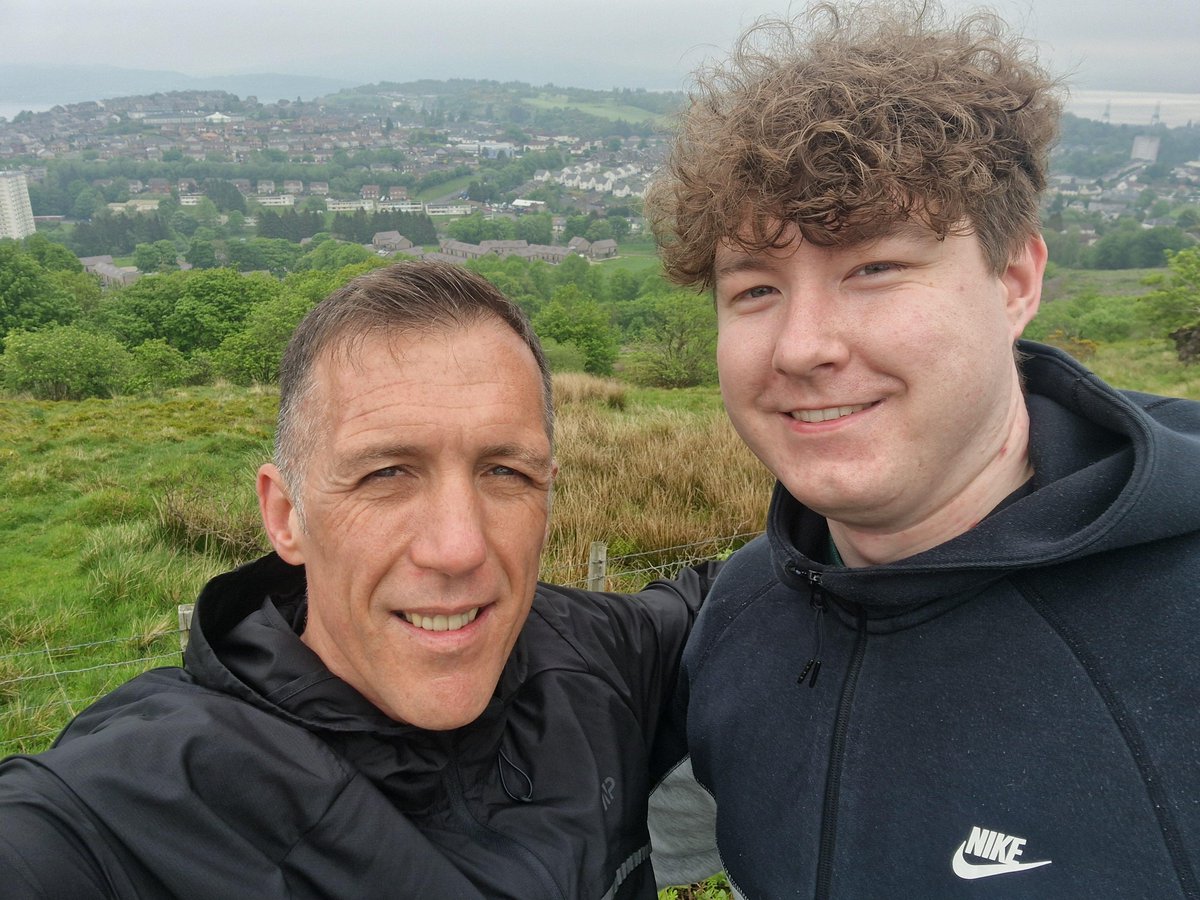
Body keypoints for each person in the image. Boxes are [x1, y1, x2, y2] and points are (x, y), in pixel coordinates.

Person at [646, 2, 1200, 896]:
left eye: (873, 268)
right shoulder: (744, 615)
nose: (801, 346)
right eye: (754, 289)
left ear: (1015, 279)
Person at [0, 262, 718, 898]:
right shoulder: (122, 809)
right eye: (386, 474)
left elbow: (784, 586)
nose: (457, 548)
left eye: (506, 472)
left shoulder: (597, 657)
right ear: (286, 515)